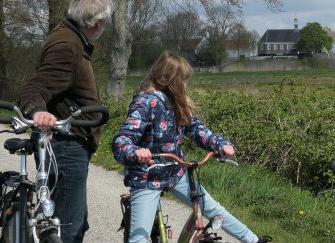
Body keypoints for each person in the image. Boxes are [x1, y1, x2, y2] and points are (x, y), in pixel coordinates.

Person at [112, 51, 272, 243]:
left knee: (213, 209)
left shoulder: (177, 102)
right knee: (139, 237)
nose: (186, 85)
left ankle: (253, 240)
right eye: (184, 80)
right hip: (147, 176)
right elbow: (121, 140)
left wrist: (220, 144)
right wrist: (134, 151)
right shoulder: (145, 102)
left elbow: (196, 128)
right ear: (171, 80)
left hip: (175, 172)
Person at [18, 0, 114, 243]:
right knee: (66, 228)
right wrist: (39, 112)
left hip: (69, 145)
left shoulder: (71, 38)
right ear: (98, 23)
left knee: (72, 222)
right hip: (65, 147)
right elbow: (33, 89)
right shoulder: (67, 45)